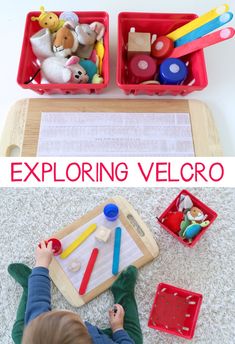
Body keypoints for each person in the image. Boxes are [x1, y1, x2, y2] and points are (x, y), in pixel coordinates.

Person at [8, 241, 143, 344]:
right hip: (102, 337)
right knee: (133, 338)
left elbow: (37, 301)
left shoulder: (36, 328)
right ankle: (123, 290)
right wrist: (117, 328)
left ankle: (28, 285)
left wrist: (41, 263)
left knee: (19, 333)